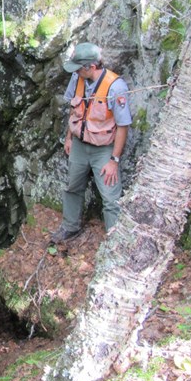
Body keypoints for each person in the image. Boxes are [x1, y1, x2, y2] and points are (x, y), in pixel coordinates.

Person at [51, 42, 132, 243]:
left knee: (110, 197)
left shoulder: (115, 87)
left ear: (91, 67)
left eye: (79, 68)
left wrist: (114, 160)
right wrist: (69, 138)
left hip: (104, 149)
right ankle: (70, 227)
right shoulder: (77, 79)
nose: (76, 71)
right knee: (72, 186)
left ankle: (114, 242)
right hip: (79, 143)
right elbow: (74, 109)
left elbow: (123, 125)